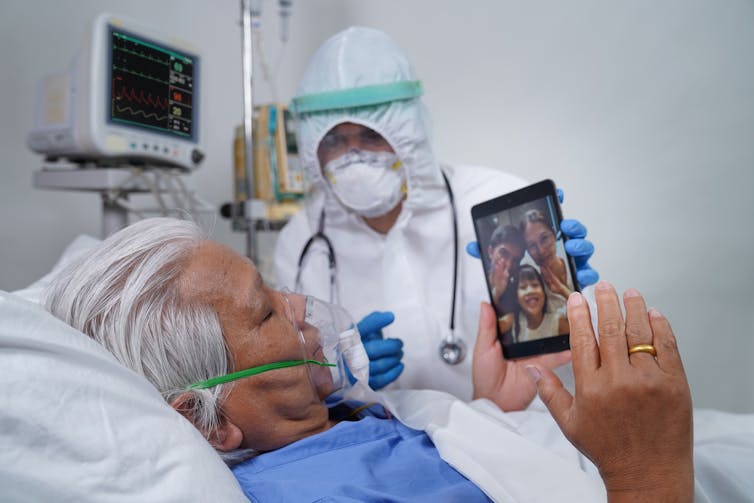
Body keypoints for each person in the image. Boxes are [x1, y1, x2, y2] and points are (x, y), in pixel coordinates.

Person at [44, 218, 693, 502]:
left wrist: (495, 403)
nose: (299, 305)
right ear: (208, 421)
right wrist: (647, 477)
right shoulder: (319, 492)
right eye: (266, 311)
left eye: (274, 284)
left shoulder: (327, 419)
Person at [274, 26, 598, 400]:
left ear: (408, 132)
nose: (354, 157)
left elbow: (570, 348)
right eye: (334, 140)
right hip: (383, 446)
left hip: (521, 429)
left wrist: (572, 297)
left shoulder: (497, 198)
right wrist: (332, 377)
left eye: (371, 136)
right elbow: (295, 381)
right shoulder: (300, 241)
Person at [521, 208, 573, 301]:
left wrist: (562, 290)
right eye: (532, 245)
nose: (541, 251)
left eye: (544, 238)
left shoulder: (573, 263)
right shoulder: (534, 288)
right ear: (527, 250)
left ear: (553, 234)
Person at [512, 264, 569, 342]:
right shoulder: (513, 322)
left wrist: (561, 289)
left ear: (544, 292)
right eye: (523, 287)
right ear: (516, 298)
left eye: (535, 285)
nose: (530, 291)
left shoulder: (557, 321)